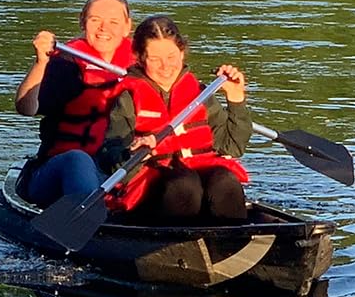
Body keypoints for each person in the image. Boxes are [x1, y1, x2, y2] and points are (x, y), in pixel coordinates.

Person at [98, 15, 251, 224]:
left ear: (182, 52)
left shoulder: (200, 94)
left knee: (224, 181)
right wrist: (135, 151)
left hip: (201, 183)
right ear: (140, 58)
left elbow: (233, 147)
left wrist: (236, 99)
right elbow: (111, 160)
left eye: (171, 56)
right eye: (154, 59)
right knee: (184, 185)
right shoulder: (127, 99)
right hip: (157, 194)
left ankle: (233, 240)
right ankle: (176, 244)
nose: (165, 66)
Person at [15, 0, 135, 204]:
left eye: (113, 22)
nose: (103, 28)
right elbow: (26, 108)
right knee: (78, 160)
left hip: (117, 172)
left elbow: (189, 99)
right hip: (59, 173)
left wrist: (217, 84)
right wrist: (41, 62)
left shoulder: (143, 67)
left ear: (128, 27)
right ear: (82, 23)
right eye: (95, 20)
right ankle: (89, 216)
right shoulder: (67, 65)